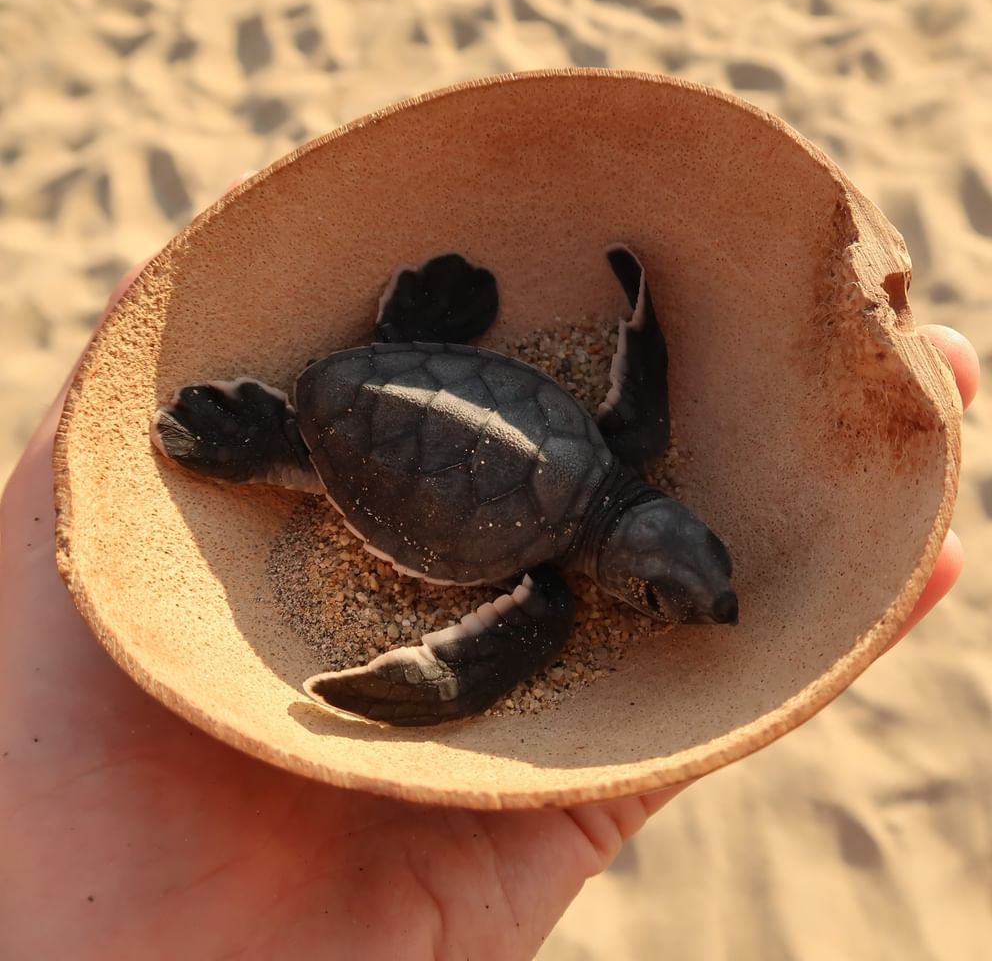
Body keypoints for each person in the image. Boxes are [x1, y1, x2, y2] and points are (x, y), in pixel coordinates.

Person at [0, 176, 978, 959]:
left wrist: (643, 300)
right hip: (349, 444)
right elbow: (469, 663)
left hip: (424, 369)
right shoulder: (547, 593)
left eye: (688, 582)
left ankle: (403, 338)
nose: (706, 604)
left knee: (441, 386)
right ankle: (272, 442)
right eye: (674, 587)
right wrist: (403, 692)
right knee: (306, 467)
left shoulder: (624, 441)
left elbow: (643, 367)